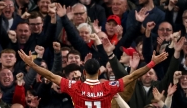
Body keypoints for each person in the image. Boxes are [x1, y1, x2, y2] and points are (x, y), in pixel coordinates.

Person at [18, 43, 168, 108]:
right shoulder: (109, 86)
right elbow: (132, 76)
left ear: (83, 72)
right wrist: (151, 63)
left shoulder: (74, 86)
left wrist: (31, 64)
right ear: (99, 72)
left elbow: (50, 76)